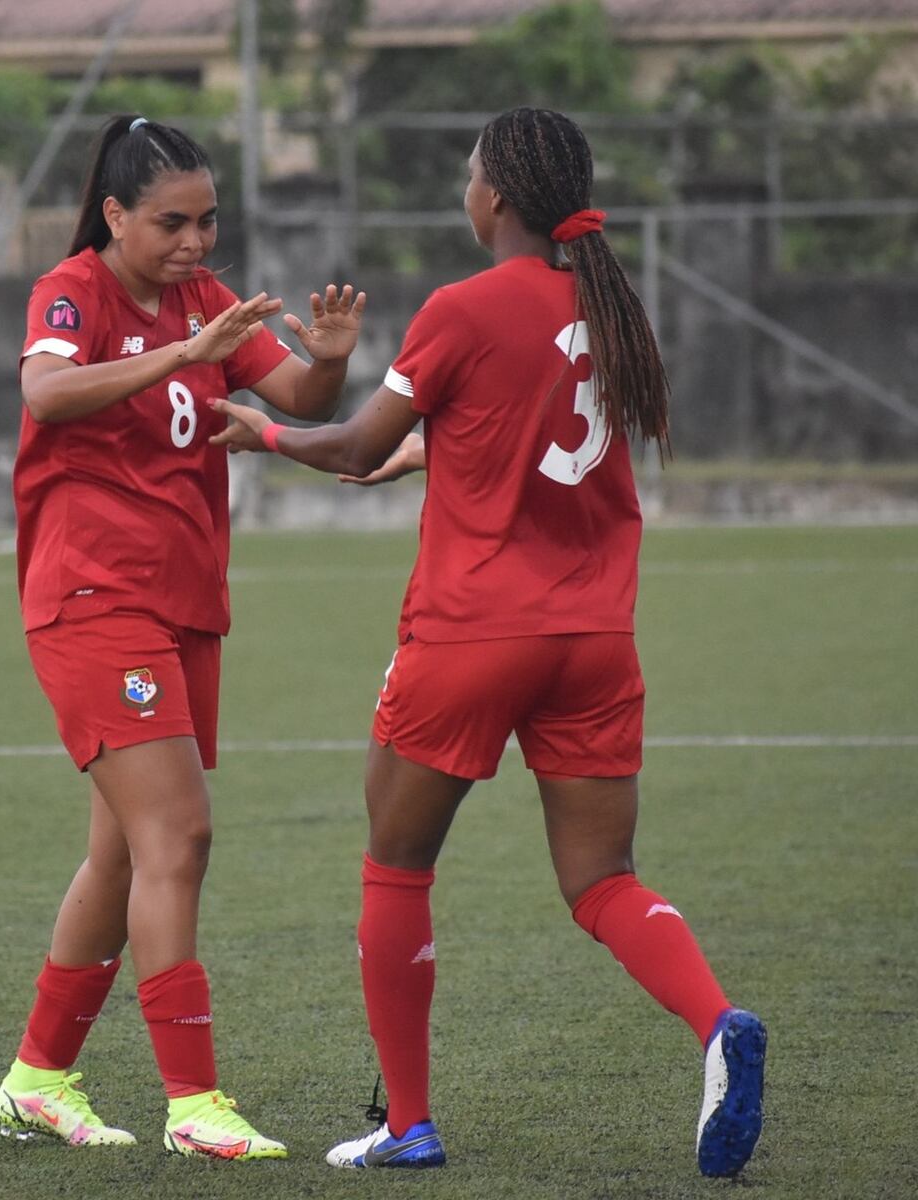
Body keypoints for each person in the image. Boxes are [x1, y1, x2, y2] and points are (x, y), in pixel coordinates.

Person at [211, 106, 767, 1178]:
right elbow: (546, 441)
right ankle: (716, 1022)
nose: (465, 193)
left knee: (396, 862)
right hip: (596, 635)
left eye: (471, 177)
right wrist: (443, 457)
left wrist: (266, 432)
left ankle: (408, 1124)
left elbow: (356, 442)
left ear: (497, 195)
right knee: (603, 879)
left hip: (472, 633)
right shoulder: (617, 307)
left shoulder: (462, 309)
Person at [0, 113, 365, 1161]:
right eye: (172, 222)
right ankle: (194, 1103)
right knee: (181, 836)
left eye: (208, 220)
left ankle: (36, 1079)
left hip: (184, 602)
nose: (197, 243)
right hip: (93, 597)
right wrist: (177, 353)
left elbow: (295, 398)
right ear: (115, 214)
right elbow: (44, 392)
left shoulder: (207, 304)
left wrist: (330, 361)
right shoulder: (73, 290)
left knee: (122, 852)